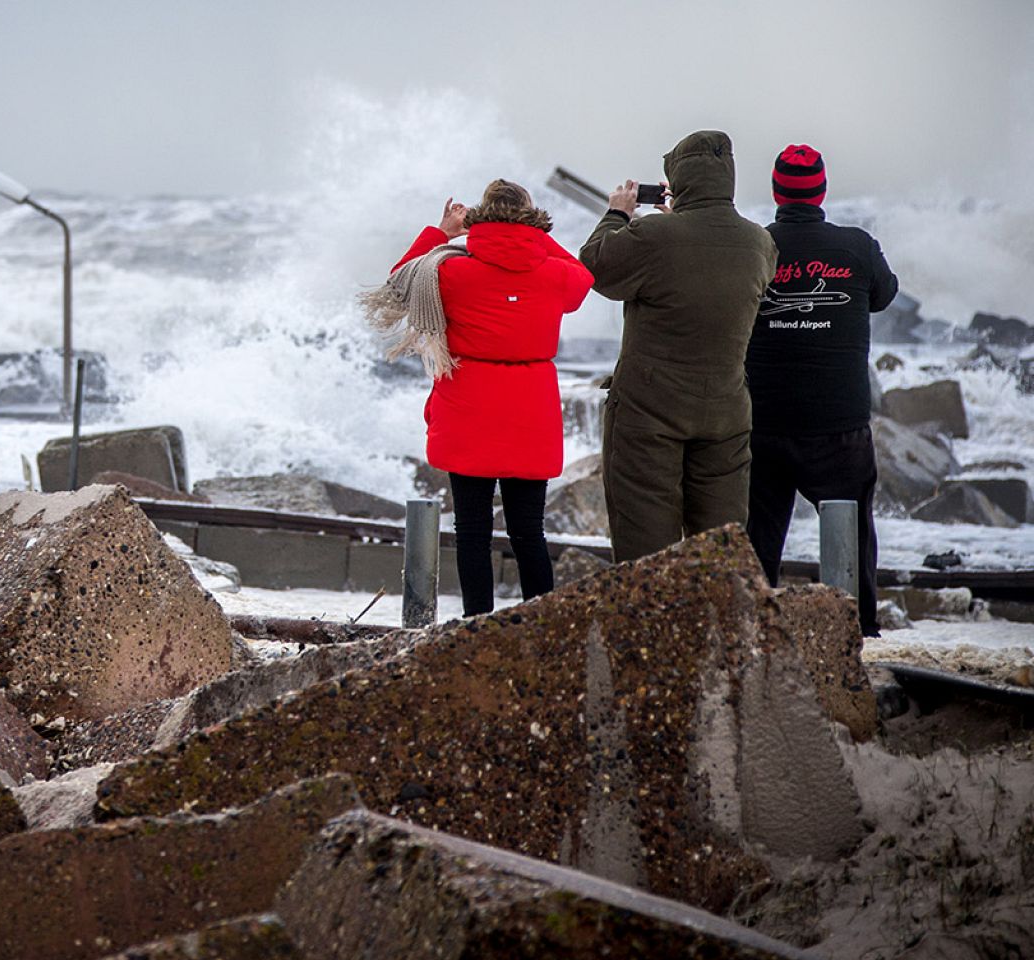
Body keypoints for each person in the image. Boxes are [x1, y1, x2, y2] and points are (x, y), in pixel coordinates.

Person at [363, 180, 593, 615]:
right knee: (529, 531)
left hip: (468, 404)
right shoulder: (555, 273)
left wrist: (443, 233)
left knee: (472, 530)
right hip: (530, 409)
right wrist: (534, 236)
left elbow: (400, 280)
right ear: (533, 221)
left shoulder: (449, 271)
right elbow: (583, 279)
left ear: (478, 218)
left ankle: (476, 626)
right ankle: (541, 628)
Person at [579, 130, 776, 563]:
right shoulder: (759, 243)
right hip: (726, 412)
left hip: (650, 411)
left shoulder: (655, 236)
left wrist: (617, 215)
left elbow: (595, 267)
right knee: (721, 548)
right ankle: (722, 626)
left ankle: (653, 631)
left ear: (680, 180)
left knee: (647, 548)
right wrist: (679, 220)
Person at [744, 144, 898, 637]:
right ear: (822, 192)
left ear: (775, 192)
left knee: (758, 540)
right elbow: (883, 294)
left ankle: (757, 636)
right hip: (839, 426)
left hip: (762, 419)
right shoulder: (855, 246)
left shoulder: (755, 246)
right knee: (851, 535)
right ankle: (857, 633)